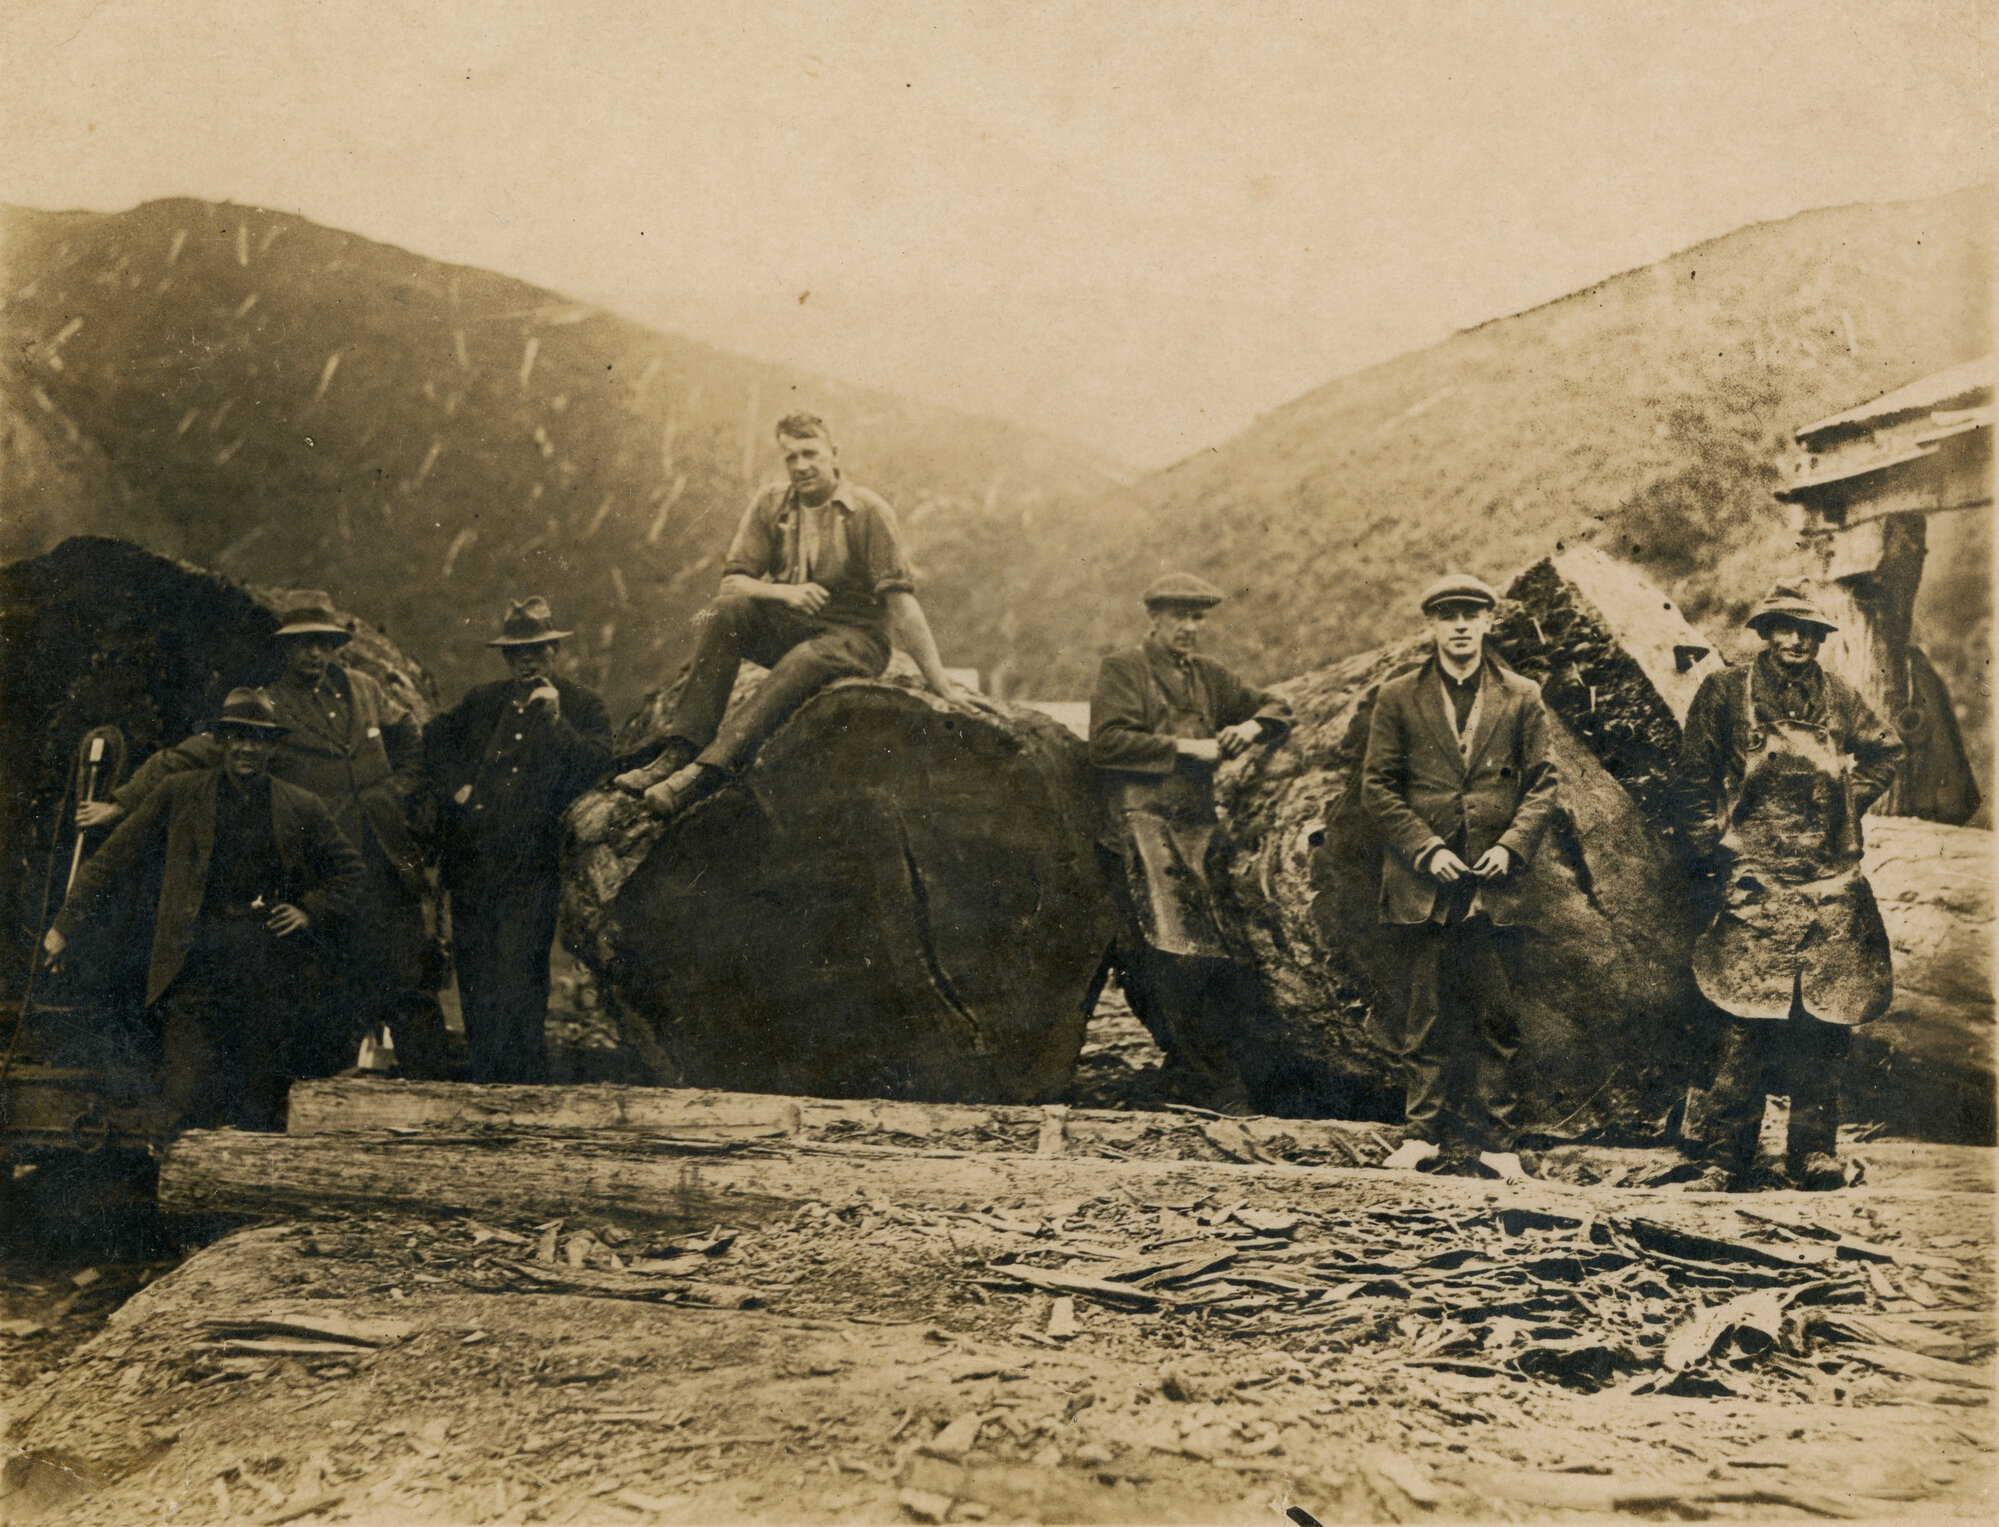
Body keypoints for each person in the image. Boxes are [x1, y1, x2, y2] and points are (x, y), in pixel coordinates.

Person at [613, 411, 981, 817]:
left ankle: (706, 772)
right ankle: (681, 748)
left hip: (854, 639)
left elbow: (902, 604)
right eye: (791, 457)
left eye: (810, 453)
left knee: (807, 658)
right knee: (726, 612)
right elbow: (733, 584)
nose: (801, 466)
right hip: (793, 624)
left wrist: (941, 683)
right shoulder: (772, 503)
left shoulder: (868, 512)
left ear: (834, 454)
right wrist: (785, 593)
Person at [41, 689, 364, 1132]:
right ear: (221, 741)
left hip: (266, 970)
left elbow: (350, 872)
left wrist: (308, 909)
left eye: (259, 739)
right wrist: (63, 928)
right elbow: (111, 861)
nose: (248, 748)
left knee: (259, 1102)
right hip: (194, 968)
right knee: (189, 1097)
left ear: (272, 747)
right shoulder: (180, 793)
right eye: (237, 737)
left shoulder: (300, 804)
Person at [1669, 582, 1902, 1191]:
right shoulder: (1725, 692)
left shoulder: (1840, 697)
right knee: (1743, 1021)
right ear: (1764, 633)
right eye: (1783, 629)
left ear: (1820, 640)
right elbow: (1693, 777)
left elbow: (1885, 750)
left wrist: (1848, 803)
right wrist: (1712, 844)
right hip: (1755, 876)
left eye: (1808, 632)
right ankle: (1724, 1158)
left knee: (1824, 1022)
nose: (1795, 641)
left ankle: (1813, 1155)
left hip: (1829, 878)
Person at [1360, 574, 1558, 1180]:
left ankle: (1499, 1142)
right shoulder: (1398, 696)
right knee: (1425, 1012)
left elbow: (1543, 782)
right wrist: (1424, 850)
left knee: (1497, 1016)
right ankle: (1421, 1136)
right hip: (1427, 886)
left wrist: (1511, 847)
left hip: (1495, 884)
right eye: (1449, 616)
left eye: (1472, 614)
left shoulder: (1522, 695)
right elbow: (1376, 786)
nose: (1462, 626)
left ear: (1489, 622)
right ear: (1433, 626)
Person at [1088, 573, 1292, 1114]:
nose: (1190, 628)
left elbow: (1276, 704)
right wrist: (1189, 748)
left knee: (1215, 957)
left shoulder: (1210, 677)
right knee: (1161, 959)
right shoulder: (1124, 670)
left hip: (1196, 830)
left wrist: (1252, 728)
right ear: (1153, 618)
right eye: (1180, 616)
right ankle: (1197, 1072)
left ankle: (1200, 1070)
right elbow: (1107, 742)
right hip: (1139, 827)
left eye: (1198, 617)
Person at [263, 590, 450, 1079]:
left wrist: (397, 792)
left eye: (324, 644)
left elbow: (409, 737)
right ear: (285, 648)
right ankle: (324, 1110)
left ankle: (438, 1103)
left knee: (410, 980)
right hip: (321, 872)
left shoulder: (363, 688)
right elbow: (218, 757)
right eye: (304, 644)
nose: (315, 655)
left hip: (386, 863)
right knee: (328, 991)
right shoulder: (270, 705)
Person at [425, 598, 611, 1083]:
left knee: (522, 976)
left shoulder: (582, 705)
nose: (526, 662)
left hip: (532, 865)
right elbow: (433, 739)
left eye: (536, 651)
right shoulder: (483, 700)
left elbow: (598, 765)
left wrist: (557, 724)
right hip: (473, 863)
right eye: (516, 654)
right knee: (477, 975)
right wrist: (458, 785)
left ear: (554, 652)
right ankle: (486, 1080)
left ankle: (525, 1082)